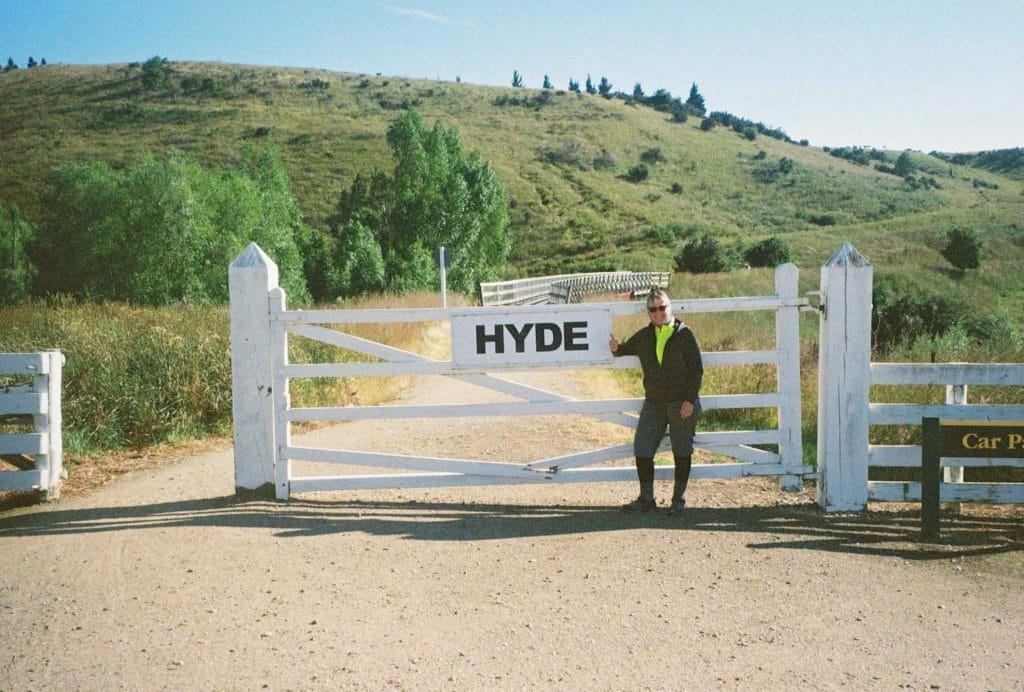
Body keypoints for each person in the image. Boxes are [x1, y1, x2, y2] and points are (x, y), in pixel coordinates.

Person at [609, 287, 703, 514]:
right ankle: (646, 499)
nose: (659, 313)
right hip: (654, 402)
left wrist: (689, 400)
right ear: (648, 312)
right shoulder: (644, 336)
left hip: (681, 402)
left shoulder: (684, 334)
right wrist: (616, 348)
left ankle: (678, 500)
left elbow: (696, 370)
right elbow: (623, 349)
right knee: (642, 447)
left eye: (662, 307)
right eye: (653, 309)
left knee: (681, 449)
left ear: (669, 307)